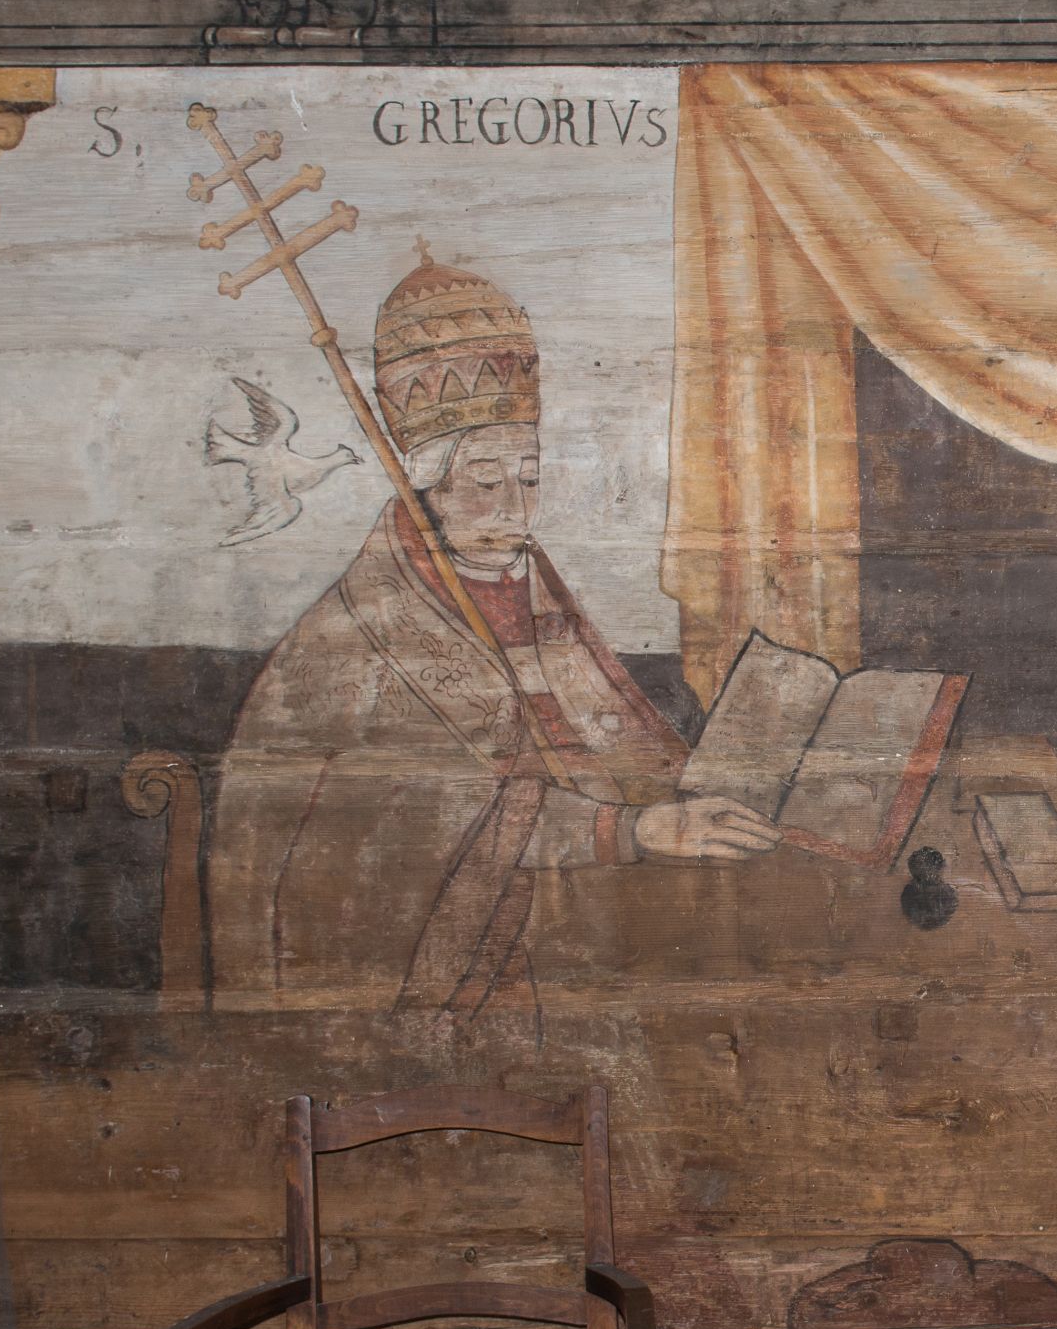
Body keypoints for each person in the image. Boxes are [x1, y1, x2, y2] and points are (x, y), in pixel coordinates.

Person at [208, 247, 775, 1038]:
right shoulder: (366, 631)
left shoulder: (530, 587)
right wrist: (628, 831)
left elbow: (611, 743)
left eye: (530, 476)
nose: (515, 503)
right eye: (484, 479)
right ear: (429, 487)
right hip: (410, 950)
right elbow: (432, 819)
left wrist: (697, 793)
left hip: (563, 899)